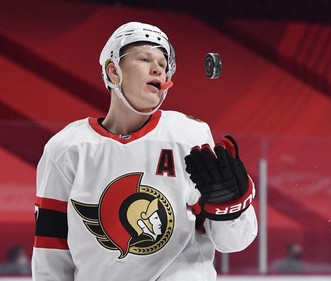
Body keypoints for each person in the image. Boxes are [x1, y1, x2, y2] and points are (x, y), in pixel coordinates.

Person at [32, 21, 258, 281]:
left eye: (163, 65)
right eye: (144, 59)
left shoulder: (187, 135)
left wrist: (232, 208)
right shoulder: (67, 147)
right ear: (114, 71)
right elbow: (51, 248)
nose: (158, 70)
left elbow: (233, 242)